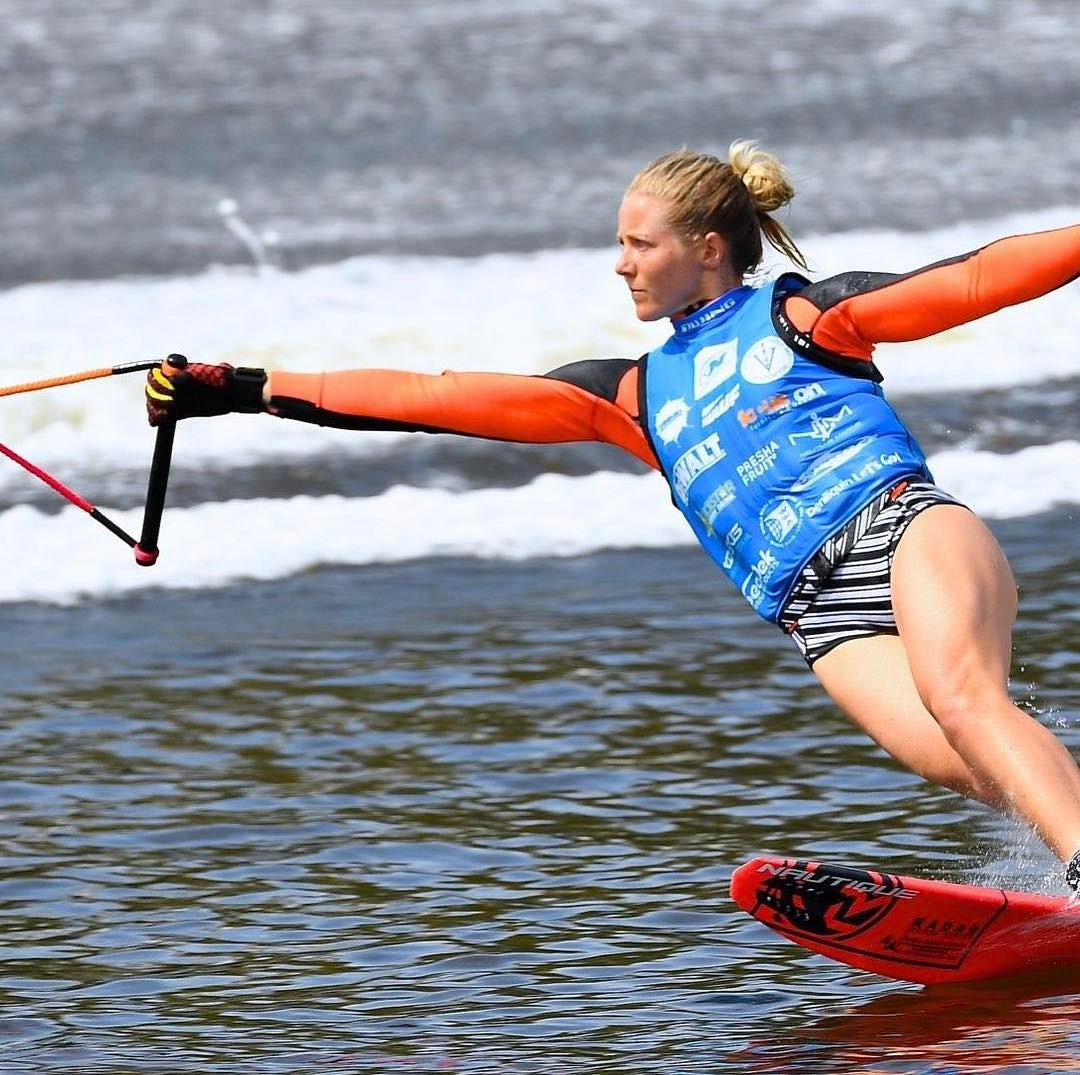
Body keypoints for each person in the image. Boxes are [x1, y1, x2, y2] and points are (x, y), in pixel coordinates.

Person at [145, 141, 1080, 888]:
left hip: (900, 528)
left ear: (706, 248)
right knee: (974, 761)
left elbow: (972, 277)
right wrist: (246, 388)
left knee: (965, 700)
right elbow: (433, 395)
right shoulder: (635, 394)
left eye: (641, 245)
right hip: (817, 614)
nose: (619, 263)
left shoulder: (805, 317)